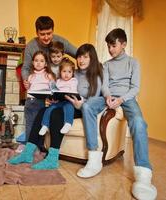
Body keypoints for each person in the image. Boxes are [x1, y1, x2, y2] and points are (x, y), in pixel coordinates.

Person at [68, 28, 157, 200]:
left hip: (127, 99)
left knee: (138, 122)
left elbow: (135, 88)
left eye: (113, 45)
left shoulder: (133, 62)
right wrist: (108, 97)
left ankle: (144, 176)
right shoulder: (106, 65)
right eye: (108, 46)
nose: (110, 49)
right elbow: (105, 85)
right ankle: (94, 159)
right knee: (86, 107)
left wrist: (121, 100)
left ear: (123, 44)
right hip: (107, 98)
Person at [8, 43, 103, 170]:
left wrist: (80, 104)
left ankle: (52, 158)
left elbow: (94, 100)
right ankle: (27, 153)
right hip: (64, 102)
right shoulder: (72, 71)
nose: (81, 60)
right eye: (79, 57)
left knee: (56, 114)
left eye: (85, 57)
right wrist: (54, 98)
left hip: (80, 107)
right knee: (43, 111)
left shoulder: (96, 76)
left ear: (92, 58)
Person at [21, 16, 77, 84]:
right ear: (37, 33)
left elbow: (78, 54)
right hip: (40, 83)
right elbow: (26, 68)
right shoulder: (30, 46)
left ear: (53, 31)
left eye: (49, 33)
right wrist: (26, 80)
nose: (46, 37)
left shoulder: (60, 41)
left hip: (59, 84)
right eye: (42, 34)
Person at [39, 58, 78, 136]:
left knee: (69, 107)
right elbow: (55, 91)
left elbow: (73, 91)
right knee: (49, 109)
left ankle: (68, 123)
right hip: (59, 101)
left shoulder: (73, 81)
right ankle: (45, 125)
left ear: (72, 73)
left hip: (68, 101)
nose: (66, 74)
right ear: (60, 72)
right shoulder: (59, 81)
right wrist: (52, 96)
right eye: (64, 71)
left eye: (69, 72)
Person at [24, 51, 55, 142]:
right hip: (29, 102)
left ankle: (38, 145)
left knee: (39, 124)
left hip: (41, 102)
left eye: (41, 61)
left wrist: (50, 99)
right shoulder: (30, 76)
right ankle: (27, 145)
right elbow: (28, 90)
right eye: (36, 60)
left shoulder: (48, 75)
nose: (38, 63)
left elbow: (54, 90)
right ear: (33, 62)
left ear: (45, 64)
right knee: (29, 124)